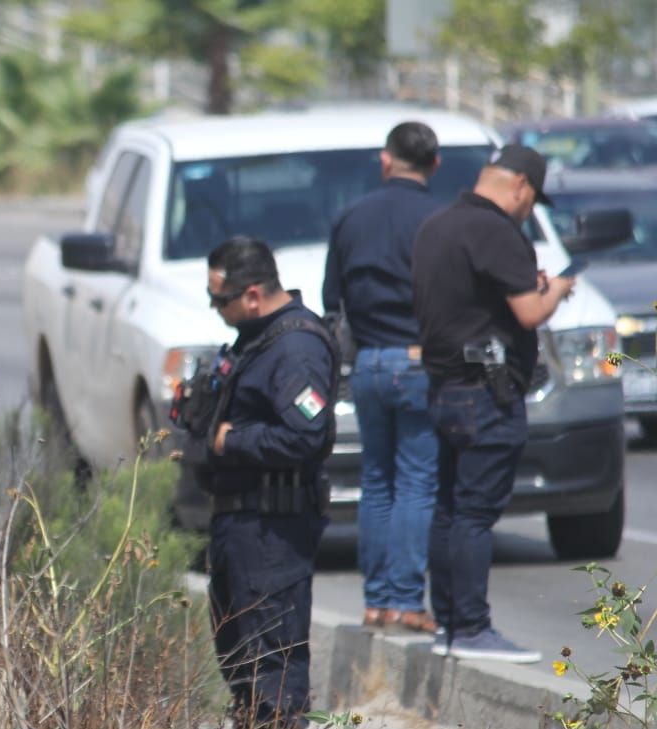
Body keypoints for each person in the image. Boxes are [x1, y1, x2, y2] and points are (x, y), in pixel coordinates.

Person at [412, 145, 575, 663]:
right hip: (487, 393)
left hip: (444, 388)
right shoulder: (498, 231)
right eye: (531, 199)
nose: (529, 209)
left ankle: (448, 626)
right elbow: (528, 313)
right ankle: (472, 628)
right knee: (475, 515)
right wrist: (559, 290)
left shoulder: (436, 225)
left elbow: (470, 298)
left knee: (449, 510)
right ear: (521, 186)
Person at [174, 236, 337, 728]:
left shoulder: (296, 347)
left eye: (218, 299)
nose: (213, 308)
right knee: (240, 664)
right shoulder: (257, 337)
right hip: (239, 526)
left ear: (250, 294)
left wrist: (231, 439)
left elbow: (305, 437)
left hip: (272, 531)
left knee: (274, 674)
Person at [323, 121, 444, 635]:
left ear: (385, 159)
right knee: (417, 482)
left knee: (377, 482)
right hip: (419, 362)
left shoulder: (351, 216)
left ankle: (375, 602)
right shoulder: (441, 219)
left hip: (369, 362)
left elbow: (333, 300)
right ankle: (406, 602)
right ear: (434, 164)